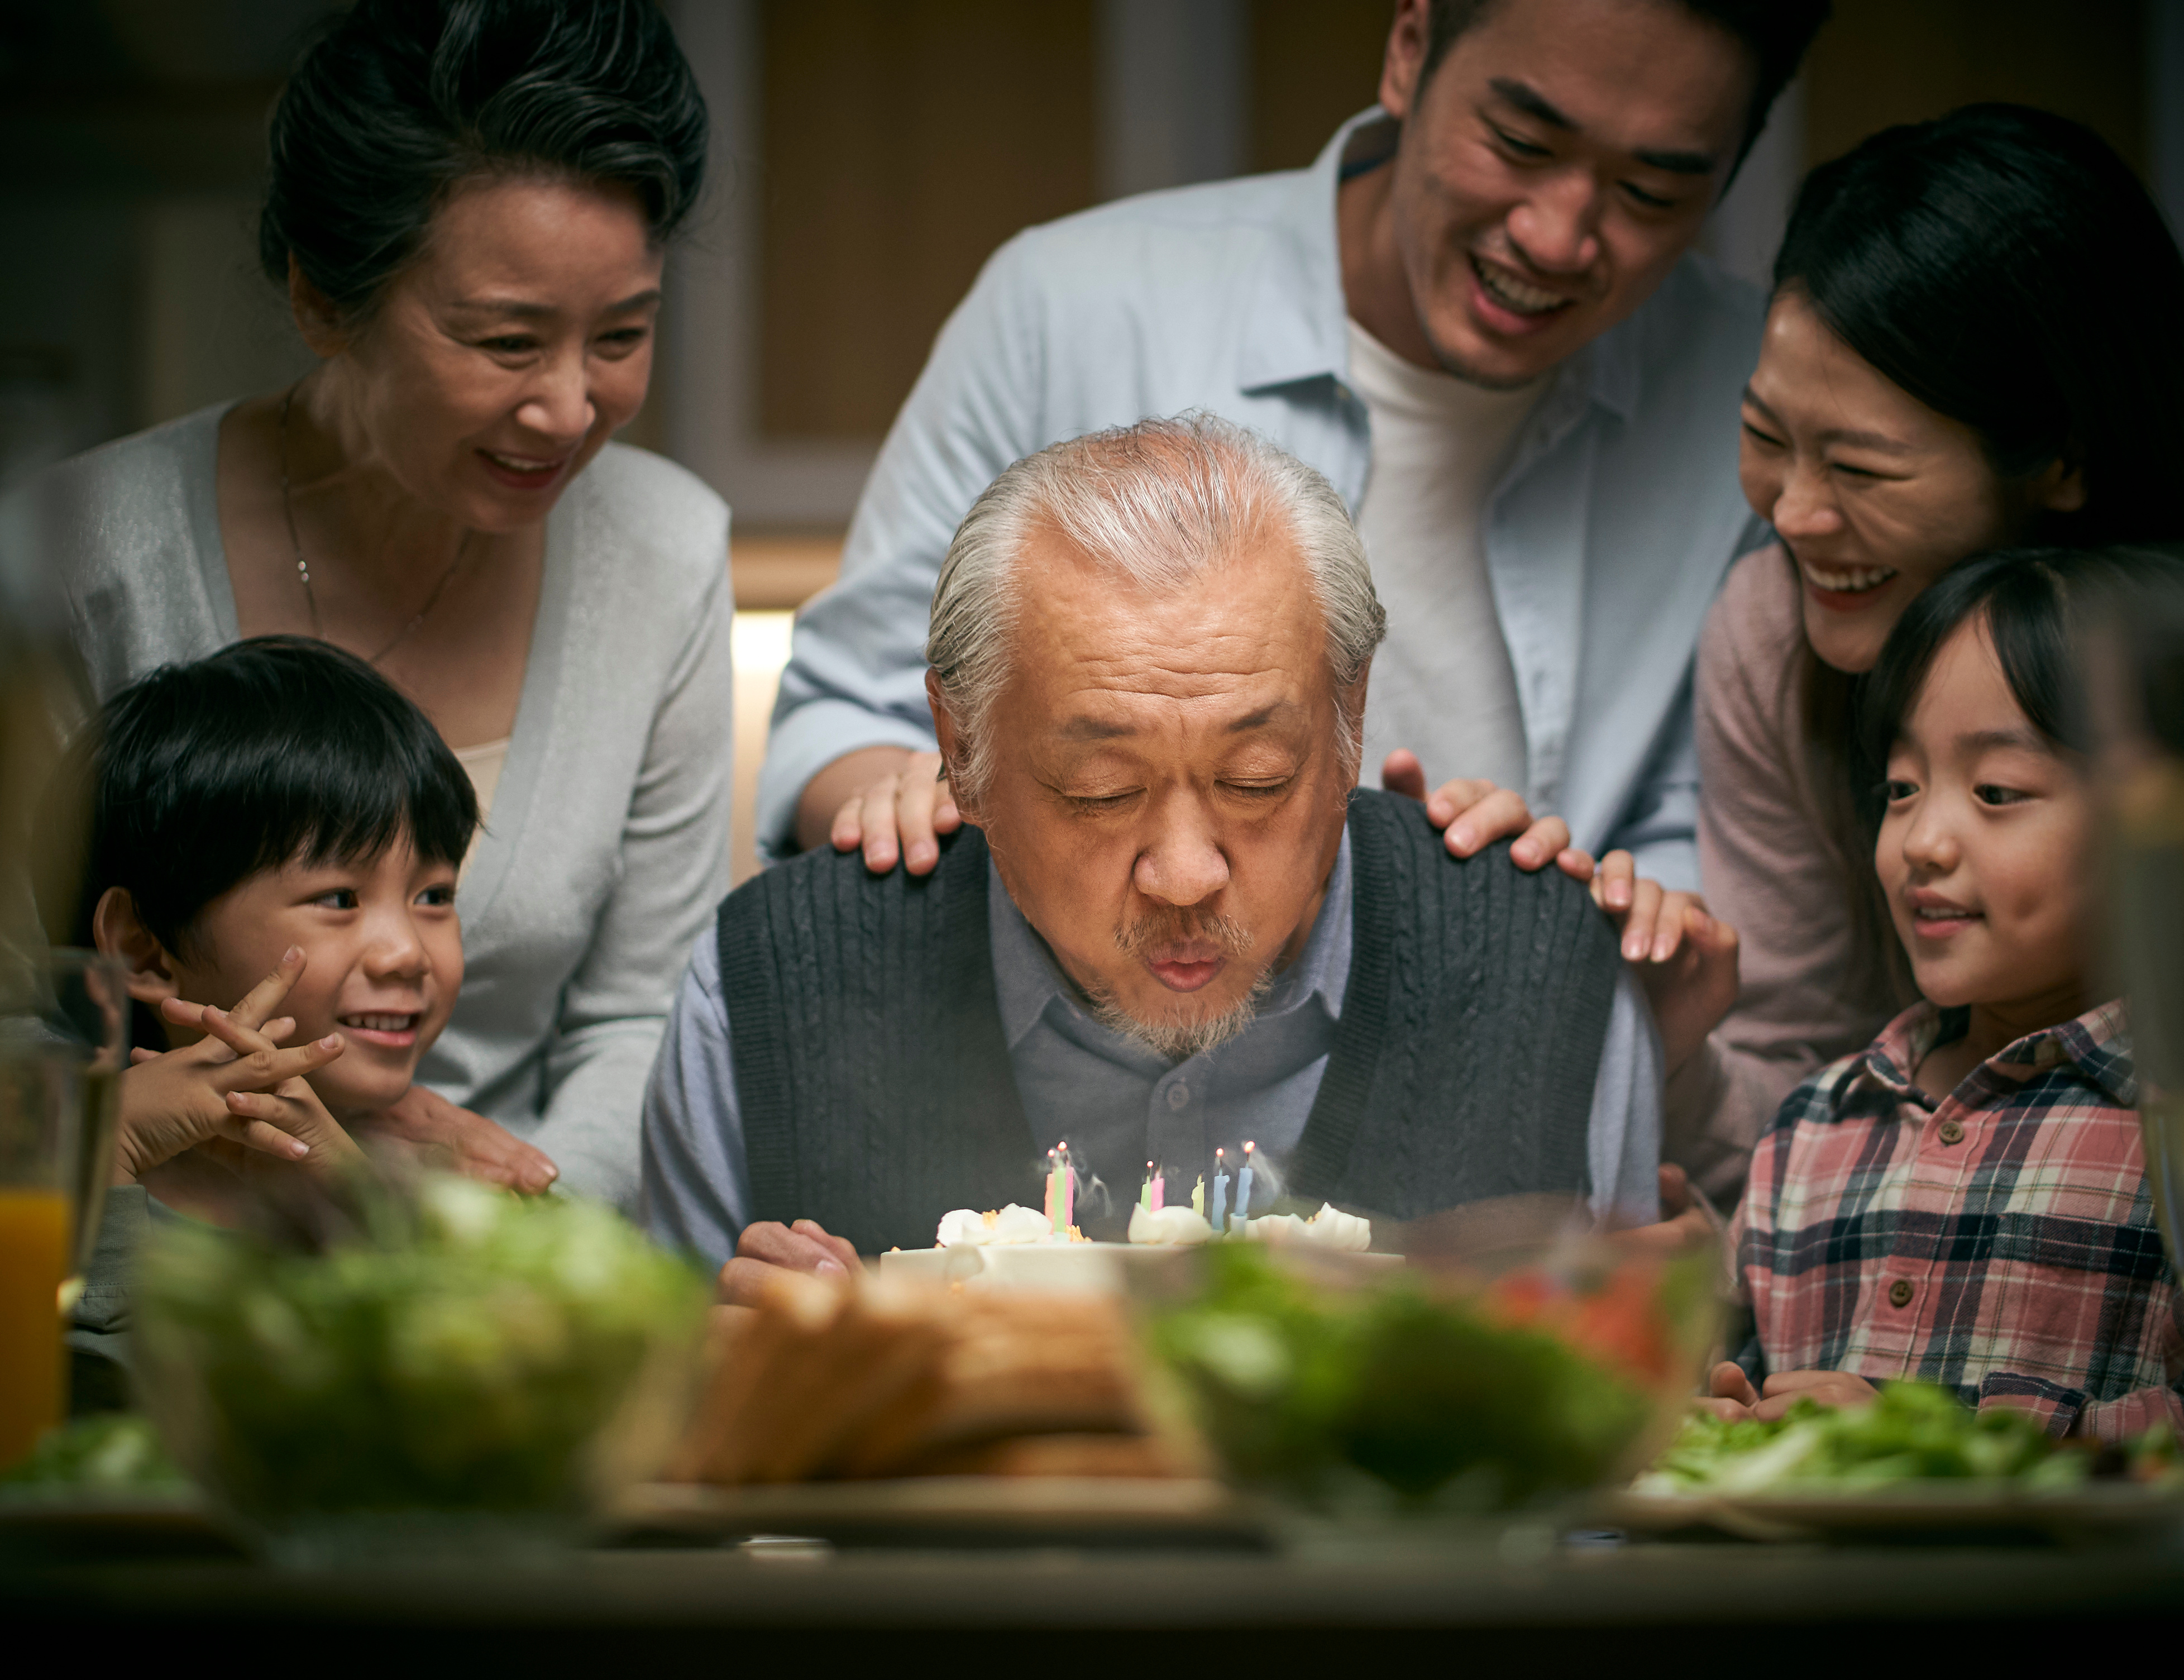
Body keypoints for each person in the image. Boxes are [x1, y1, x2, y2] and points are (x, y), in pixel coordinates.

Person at [759, 0, 1826, 928]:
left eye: (1652, 193)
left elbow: (1725, 834)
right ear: (1408, 49)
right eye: (1519, 141)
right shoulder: (1070, 307)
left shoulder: (1761, 405)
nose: (1556, 236)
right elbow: (843, 720)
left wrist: (1599, 917)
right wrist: (927, 799)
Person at [643, 417, 1666, 1291]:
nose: (1185, 875)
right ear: (963, 750)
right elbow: (660, 1486)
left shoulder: (1543, 973)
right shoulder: (769, 990)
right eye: (1101, 794)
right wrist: (747, 1391)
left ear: (1349, 716)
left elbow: (1622, 1476)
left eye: (1257, 779)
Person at [10, 0, 730, 1209]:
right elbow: (19, 1004)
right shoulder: (81, 558)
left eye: (620, 334)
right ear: (321, 300)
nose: (568, 407)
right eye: (504, 341)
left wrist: (505, 1233)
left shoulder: (664, 554)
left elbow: (638, 1014)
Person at [1676, 104, 2184, 1200]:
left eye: (1861, 470)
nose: (1792, 514)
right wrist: (1664, 1053)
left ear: (2057, 457)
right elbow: (1806, 1065)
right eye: (1762, 438)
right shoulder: (1769, 634)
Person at [1712, 549, 2184, 1442]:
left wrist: (1937, 1434)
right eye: (1901, 789)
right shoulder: (1815, 1129)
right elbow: (1744, 1390)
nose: (1924, 840)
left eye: (1997, 792)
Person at [56, 636, 476, 1386]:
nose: (407, 953)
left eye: (434, 896)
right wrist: (104, 1153)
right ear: (145, 951)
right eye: (339, 899)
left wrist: (363, 1213)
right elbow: (86, 1418)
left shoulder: (453, 1197)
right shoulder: (51, 1180)